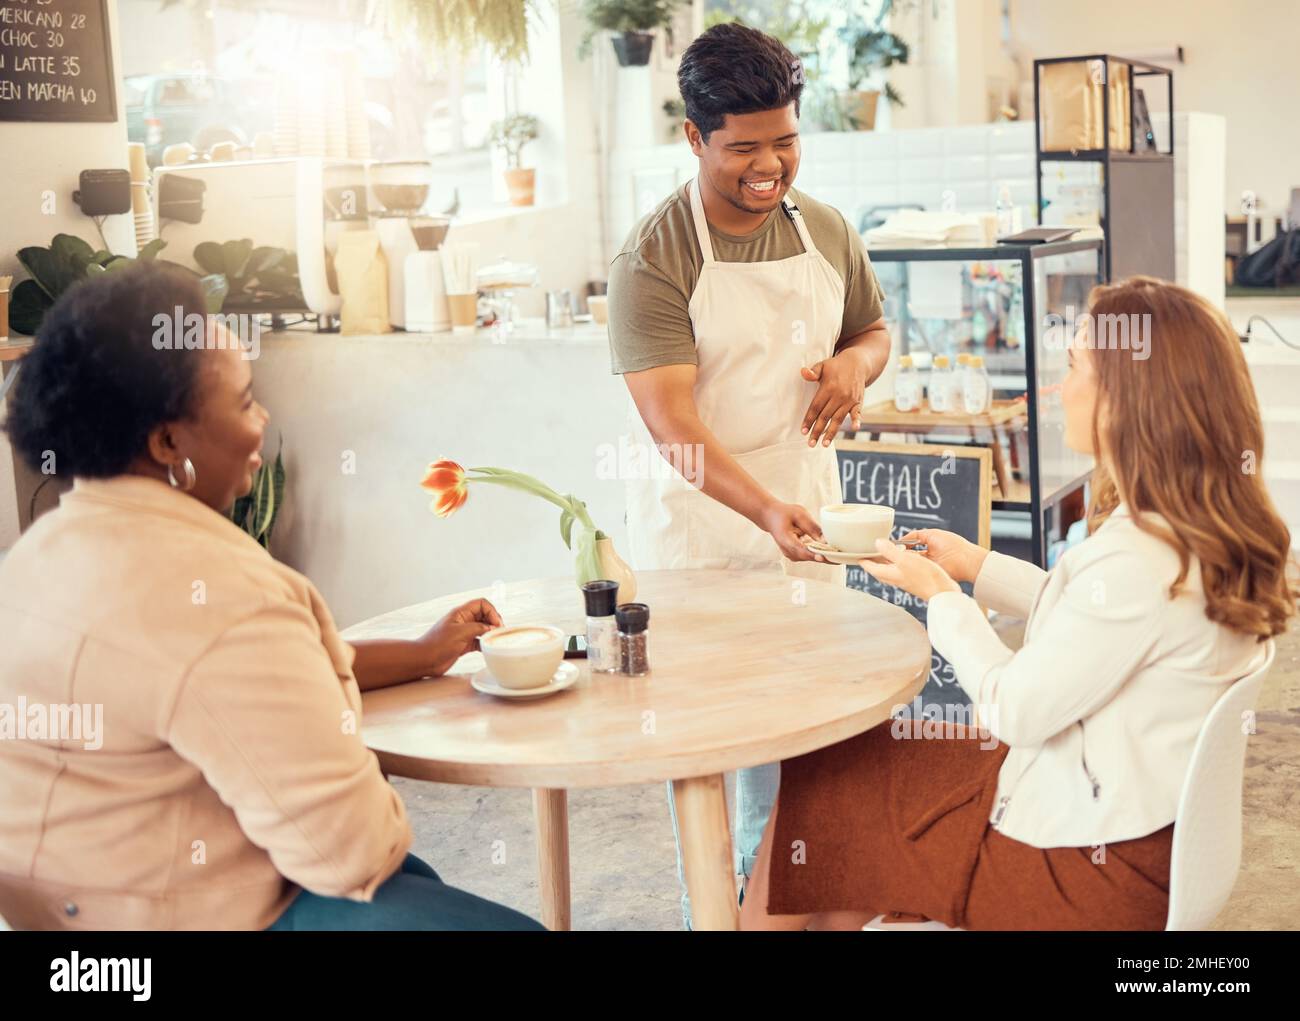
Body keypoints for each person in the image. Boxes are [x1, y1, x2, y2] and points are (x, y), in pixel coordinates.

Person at [740, 276, 1296, 930]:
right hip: (1129, 830)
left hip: (1087, 875)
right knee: (837, 785)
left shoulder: (1136, 558)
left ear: (1128, 401)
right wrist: (976, 565)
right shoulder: (1195, 531)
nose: (1060, 390)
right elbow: (1101, 627)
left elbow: (1015, 708)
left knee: (827, 789)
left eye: (1074, 368)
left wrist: (941, 594)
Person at [0, 264, 543, 931]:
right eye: (245, 400)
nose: (263, 423)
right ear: (169, 441)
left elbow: (228, 677)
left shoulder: (36, 558)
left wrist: (421, 652)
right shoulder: (222, 593)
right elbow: (354, 853)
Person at [606, 21, 891, 928]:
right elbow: (673, 428)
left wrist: (858, 365)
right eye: (744, 148)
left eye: (786, 140)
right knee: (715, 766)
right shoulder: (656, 257)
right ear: (693, 138)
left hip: (805, 521)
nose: (770, 165)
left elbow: (873, 331)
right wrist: (762, 506)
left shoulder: (829, 231)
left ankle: (792, 909)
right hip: (702, 536)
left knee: (816, 757)